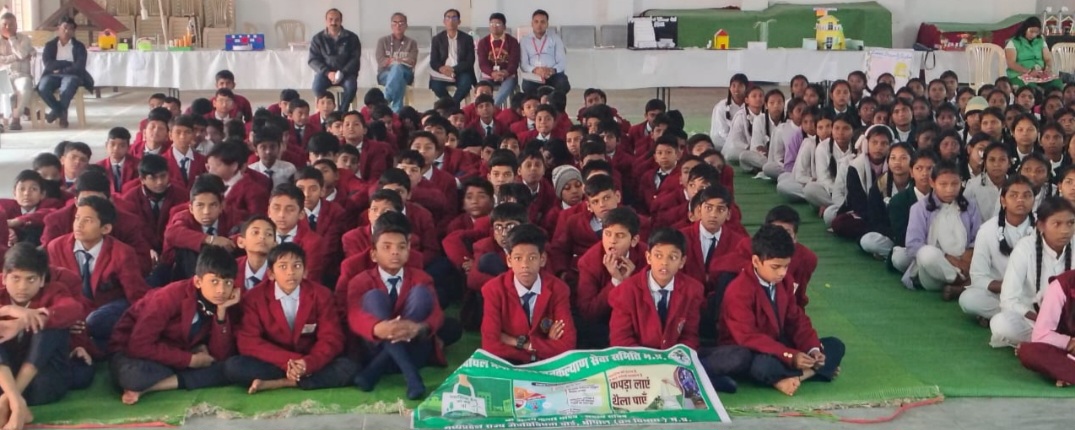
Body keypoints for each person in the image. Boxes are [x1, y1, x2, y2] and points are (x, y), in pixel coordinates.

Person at [346, 212, 461, 399]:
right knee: (374, 297)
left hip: (414, 348)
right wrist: (377, 328)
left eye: (401, 247)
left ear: (408, 250)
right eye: (387, 247)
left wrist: (418, 328)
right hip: (375, 348)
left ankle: (374, 371)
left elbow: (436, 314)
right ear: (374, 254)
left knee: (421, 294)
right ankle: (412, 376)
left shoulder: (421, 277)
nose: (395, 252)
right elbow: (354, 315)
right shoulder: (360, 281)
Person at [720, 225, 844, 396]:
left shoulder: (785, 281)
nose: (782, 273)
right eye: (776, 267)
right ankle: (814, 372)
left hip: (779, 344)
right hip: (752, 350)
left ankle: (796, 377)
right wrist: (790, 356)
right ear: (756, 261)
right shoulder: (738, 290)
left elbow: (796, 319)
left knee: (835, 345)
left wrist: (813, 349)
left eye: (786, 266)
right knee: (763, 367)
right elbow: (748, 337)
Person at [108, 246, 242, 405]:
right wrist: (189, 360)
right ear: (198, 281)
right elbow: (138, 345)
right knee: (134, 376)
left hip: (174, 354)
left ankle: (153, 387)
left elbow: (219, 356)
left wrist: (221, 313)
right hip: (133, 353)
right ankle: (170, 378)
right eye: (214, 281)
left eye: (228, 283)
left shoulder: (226, 303)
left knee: (226, 368)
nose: (221, 290)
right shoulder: (170, 295)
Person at [224, 243, 356, 394]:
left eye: (297, 266)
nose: (290, 272)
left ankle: (281, 383)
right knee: (234, 366)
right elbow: (248, 341)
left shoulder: (321, 294)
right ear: (271, 274)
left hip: (311, 360)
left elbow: (332, 337)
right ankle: (302, 379)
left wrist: (308, 363)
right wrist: (291, 362)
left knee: (348, 367)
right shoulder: (254, 297)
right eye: (283, 266)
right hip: (275, 361)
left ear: (305, 272)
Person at [46, 196, 149, 352]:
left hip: (107, 307)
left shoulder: (123, 253)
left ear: (105, 229)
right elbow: (55, 289)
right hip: (74, 306)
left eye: (87, 220)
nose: (79, 224)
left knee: (95, 322)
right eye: (77, 218)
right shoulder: (56, 246)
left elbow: (136, 294)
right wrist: (69, 314)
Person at [480, 224, 575, 364]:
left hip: (545, 363)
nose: (525, 265)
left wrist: (515, 342)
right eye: (518, 258)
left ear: (542, 259)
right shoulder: (493, 289)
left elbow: (567, 345)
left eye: (532, 258)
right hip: (511, 361)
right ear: (509, 260)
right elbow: (490, 346)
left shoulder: (558, 289)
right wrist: (533, 353)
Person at [992, 197, 1075, 348]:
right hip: (1034, 320)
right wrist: (1041, 319)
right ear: (1041, 225)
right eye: (1057, 224)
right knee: (1000, 323)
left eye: (1071, 223)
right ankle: (1054, 342)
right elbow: (1008, 300)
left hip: (1071, 321)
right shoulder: (1024, 248)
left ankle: (1049, 344)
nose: (1065, 230)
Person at [960, 177, 1035, 325]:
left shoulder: (1045, 227)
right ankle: (1021, 318)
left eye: (1027, 195)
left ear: (1033, 201)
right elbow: (978, 276)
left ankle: (1002, 318)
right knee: (968, 299)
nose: (1020, 200)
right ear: (1003, 201)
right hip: (1001, 294)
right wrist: (1009, 287)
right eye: (1014, 195)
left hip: (1035, 295)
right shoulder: (987, 230)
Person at [37, 17, 94, 128]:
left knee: (68, 86)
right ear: (59, 28)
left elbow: (79, 66)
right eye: (65, 27)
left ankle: (54, 114)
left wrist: (62, 69)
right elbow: (48, 64)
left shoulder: (79, 46)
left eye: (71, 29)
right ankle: (61, 113)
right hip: (52, 74)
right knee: (43, 88)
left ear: (74, 31)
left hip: (72, 75)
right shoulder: (50, 45)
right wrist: (67, 63)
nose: (67, 31)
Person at [309, 8, 362, 113]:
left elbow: (355, 59)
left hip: (347, 74)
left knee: (351, 87)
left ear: (341, 21)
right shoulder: (318, 38)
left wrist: (342, 73)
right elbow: (313, 60)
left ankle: (341, 113)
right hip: (325, 74)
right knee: (316, 87)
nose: (333, 22)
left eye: (337, 20)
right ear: (326, 21)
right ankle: (326, 113)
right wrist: (328, 73)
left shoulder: (352, 38)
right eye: (330, 19)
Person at [1004, 17, 1063, 92]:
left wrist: (1048, 68)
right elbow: (1011, 63)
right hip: (1019, 75)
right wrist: (1029, 72)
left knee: (1057, 83)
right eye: (1031, 31)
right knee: (1031, 88)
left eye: (1036, 32)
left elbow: (1048, 58)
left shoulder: (1041, 41)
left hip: (1039, 74)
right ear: (1025, 29)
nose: (1033, 34)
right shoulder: (1014, 42)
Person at [430, 9, 476, 103]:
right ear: (444, 21)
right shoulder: (437, 39)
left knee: (466, 83)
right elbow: (433, 61)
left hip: (461, 71)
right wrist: (441, 69)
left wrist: (453, 69)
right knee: (435, 85)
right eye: (448, 18)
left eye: (454, 18)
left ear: (459, 22)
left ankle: (451, 105)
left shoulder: (467, 39)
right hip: (443, 73)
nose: (451, 21)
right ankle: (452, 105)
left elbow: (470, 61)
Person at [375, 13, 418, 113]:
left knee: (398, 69)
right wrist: (399, 61)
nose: (398, 25)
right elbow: (380, 60)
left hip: (406, 73)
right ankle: (397, 111)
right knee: (399, 80)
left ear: (406, 26)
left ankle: (386, 99)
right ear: (391, 25)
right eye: (395, 23)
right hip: (385, 74)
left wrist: (393, 61)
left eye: (401, 23)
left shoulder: (412, 43)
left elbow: (412, 61)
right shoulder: (382, 41)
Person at [520, 10, 569, 95]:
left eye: (542, 22)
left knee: (563, 84)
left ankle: (554, 103)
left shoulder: (555, 38)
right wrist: (535, 70)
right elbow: (524, 64)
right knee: (527, 86)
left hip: (553, 74)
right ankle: (538, 103)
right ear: (532, 24)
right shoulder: (524, 41)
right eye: (536, 22)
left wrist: (552, 70)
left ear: (547, 24)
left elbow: (562, 62)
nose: (539, 25)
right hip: (534, 74)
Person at [477, 13, 520, 107]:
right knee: (483, 89)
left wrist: (505, 72)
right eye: (492, 24)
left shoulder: (512, 41)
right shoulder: (483, 42)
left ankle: (494, 107)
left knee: (507, 87)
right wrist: (492, 73)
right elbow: (483, 64)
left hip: (508, 75)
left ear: (504, 27)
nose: (494, 26)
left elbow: (514, 62)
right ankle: (484, 108)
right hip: (489, 75)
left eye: (498, 24)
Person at [0, 13, 34, 131]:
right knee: (2, 87)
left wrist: (11, 39)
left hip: (21, 74)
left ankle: (16, 116)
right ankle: (3, 121)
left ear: (16, 25)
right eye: (4, 24)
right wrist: (16, 57)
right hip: (3, 74)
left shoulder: (25, 39)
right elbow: (21, 56)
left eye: (11, 24)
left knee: (25, 85)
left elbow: (22, 54)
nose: (8, 27)